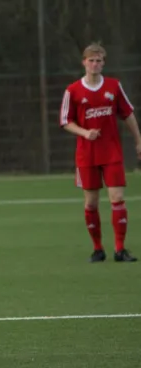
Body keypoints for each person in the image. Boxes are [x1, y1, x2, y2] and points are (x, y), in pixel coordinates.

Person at [60, 42, 141, 262]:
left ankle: (120, 249)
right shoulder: (73, 90)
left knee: (117, 198)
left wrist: (138, 141)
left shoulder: (114, 86)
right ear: (84, 62)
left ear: (104, 63)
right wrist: (85, 133)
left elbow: (128, 114)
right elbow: (65, 121)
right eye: (91, 60)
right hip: (87, 155)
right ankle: (98, 249)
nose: (95, 64)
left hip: (111, 152)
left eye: (99, 60)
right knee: (91, 204)